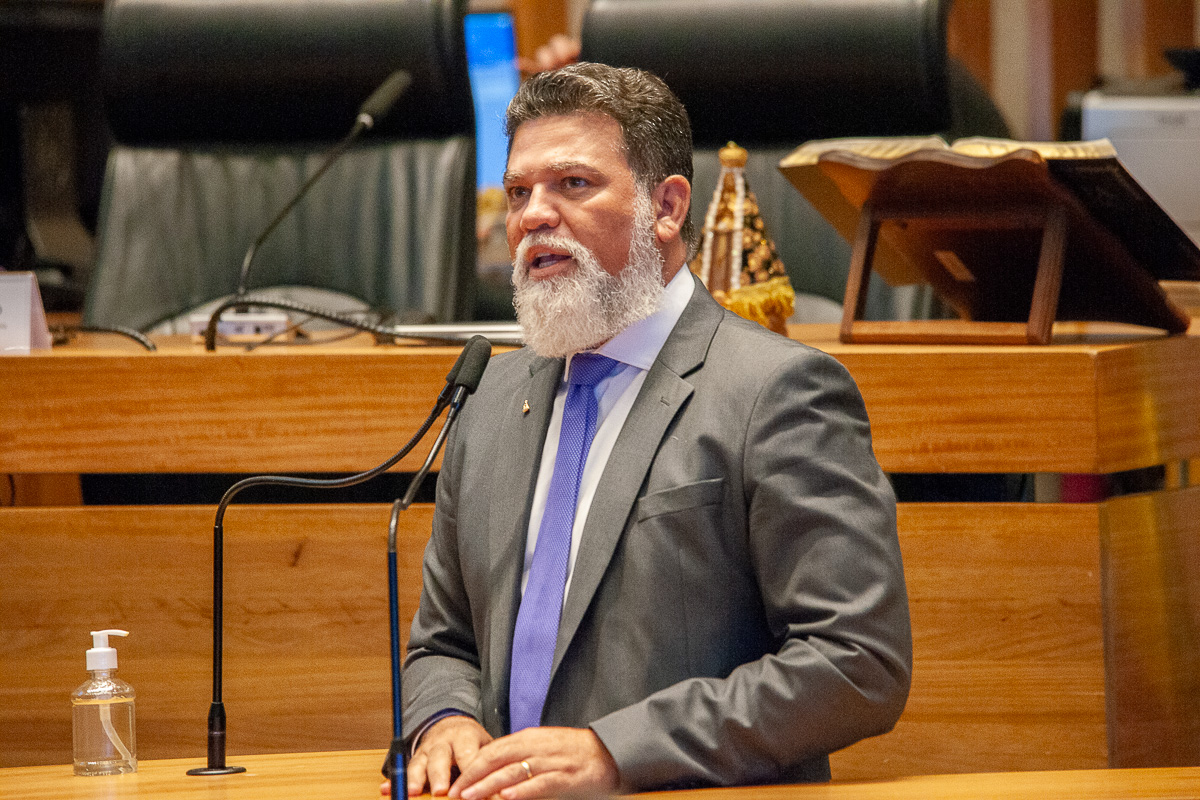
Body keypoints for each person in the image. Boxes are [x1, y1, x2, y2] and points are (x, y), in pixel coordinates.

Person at [400, 62, 911, 799]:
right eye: (518, 192)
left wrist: (617, 754)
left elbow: (857, 661)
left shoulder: (776, 392)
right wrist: (444, 717)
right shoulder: (489, 398)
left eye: (573, 183)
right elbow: (444, 641)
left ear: (666, 206)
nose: (533, 215)